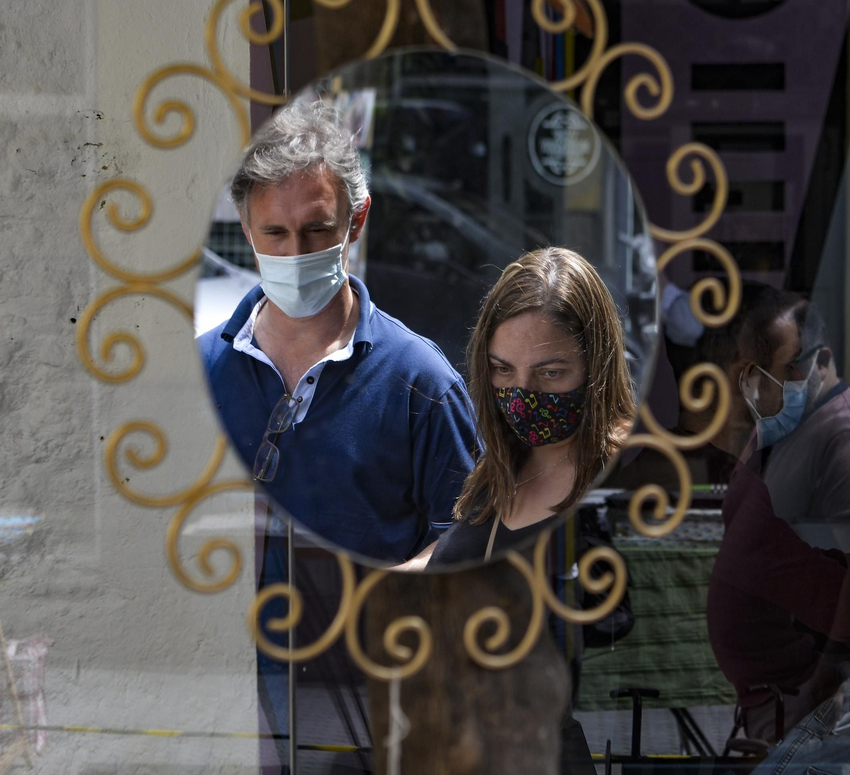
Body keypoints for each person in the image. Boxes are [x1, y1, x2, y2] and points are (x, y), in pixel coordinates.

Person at [197, 99, 477, 566]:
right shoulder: (204, 368)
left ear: (357, 220)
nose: (295, 253)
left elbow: (470, 538)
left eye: (316, 230)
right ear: (246, 229)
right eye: (274, 233)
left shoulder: (421, 385)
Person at [698, 284, 850, 775]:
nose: (772, 385)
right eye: (757, 373)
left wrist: (824, 687)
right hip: (784, 695)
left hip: (830, 692)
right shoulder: (781, 425)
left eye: (785, 370)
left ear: (822, 361)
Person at [427, 247, 635, 566]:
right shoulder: (500, 463)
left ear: (596, 367)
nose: (523, 397)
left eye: (550, 373)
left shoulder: (629, 471)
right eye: (503, 369)